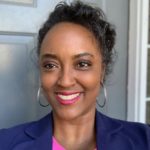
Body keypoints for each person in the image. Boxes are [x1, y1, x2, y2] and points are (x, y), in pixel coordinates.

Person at [0, 1, 150, 150]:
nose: (65, 81)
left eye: (82, 64)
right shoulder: (5, 142)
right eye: (50, 65)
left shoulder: (144, 140)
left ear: (102, 72)